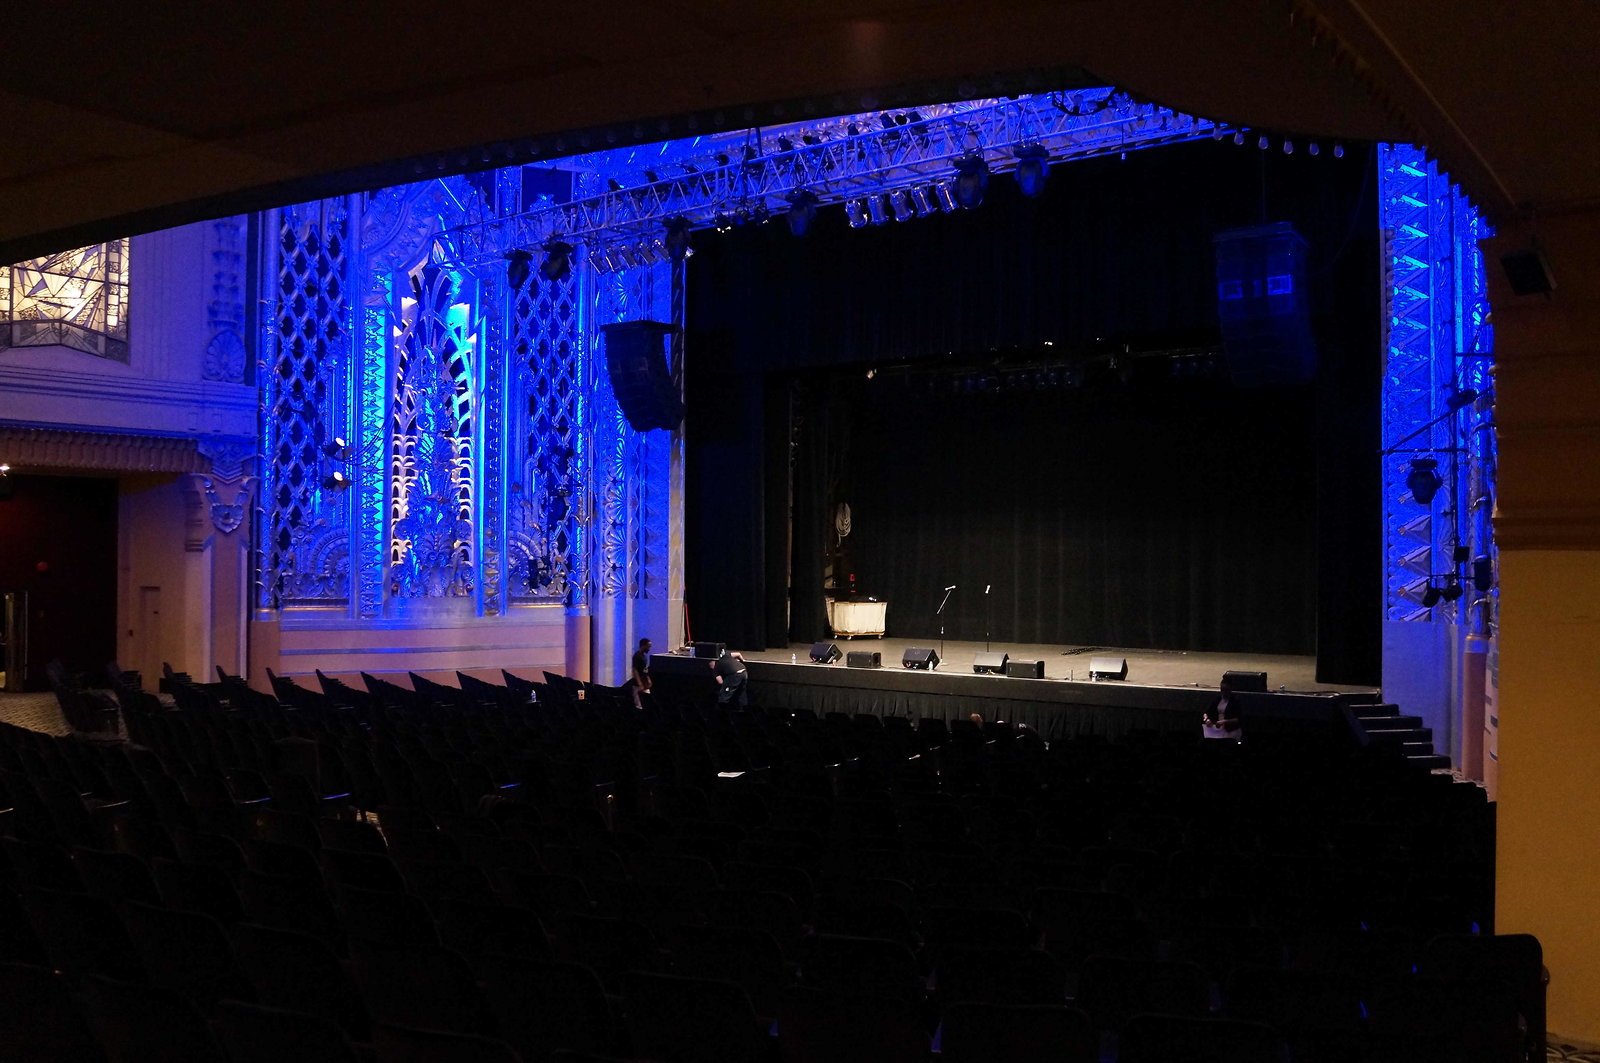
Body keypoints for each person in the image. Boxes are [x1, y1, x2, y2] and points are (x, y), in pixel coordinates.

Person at [1202, 675, 1243, 741]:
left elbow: (1239, 719)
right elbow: (1206, 712)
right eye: (1222, 690)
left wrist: (1225, 721)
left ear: (1230, 689)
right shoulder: (1217, 699)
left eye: (1226, 690)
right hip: (1217, 731)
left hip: (1231, 731)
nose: (1224, 693)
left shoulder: (1235, 701)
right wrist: (1206, 719)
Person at [629, 637, 652, 709]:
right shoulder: (637, 656)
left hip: (644, 684)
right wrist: (640, 684)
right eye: (648, 646)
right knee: (639, 705)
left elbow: (645, 670)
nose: (649, 649)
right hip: (638, 685)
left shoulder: (644, 656)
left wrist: (648, 680)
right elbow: (635, 670)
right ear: (643, 646)